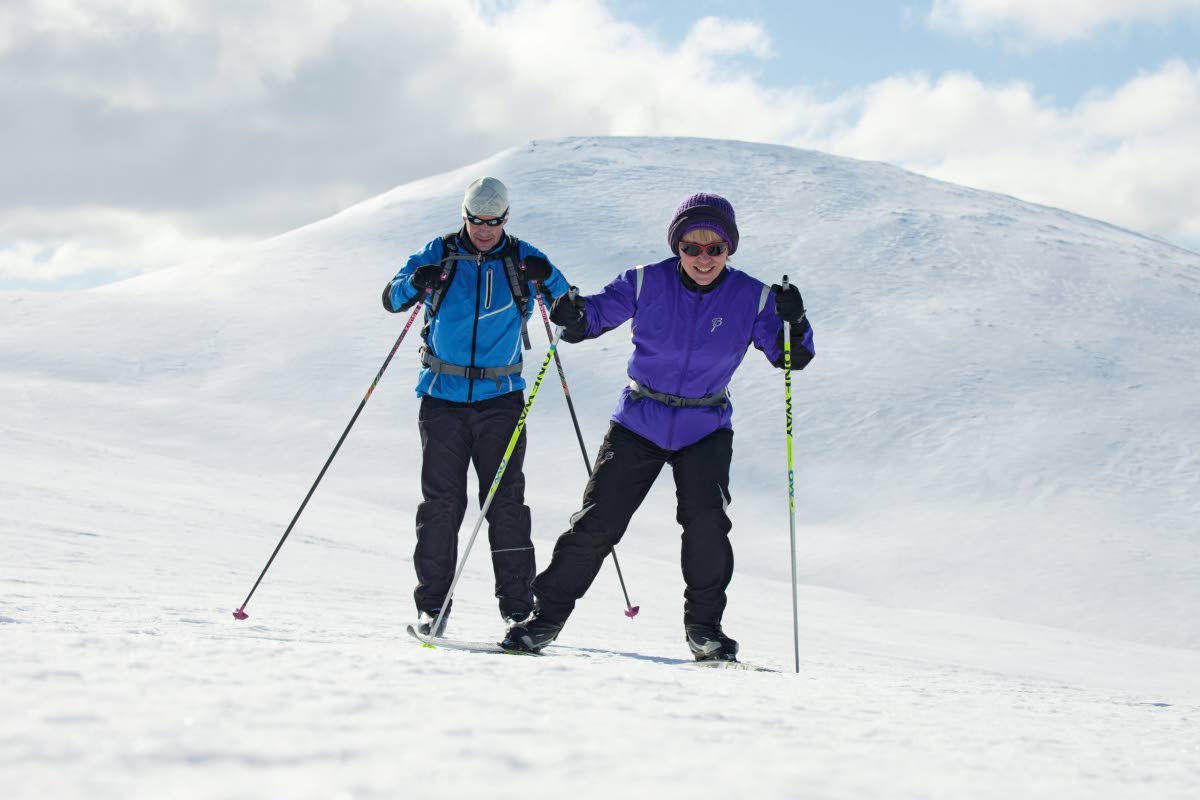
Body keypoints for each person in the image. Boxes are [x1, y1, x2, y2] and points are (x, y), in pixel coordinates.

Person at [500, 192, 813, 661]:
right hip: (639, 419)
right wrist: (576, 315)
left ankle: (705, 630)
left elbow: (790, 356)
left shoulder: (753, 296)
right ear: (676, 247)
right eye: (691, 247)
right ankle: (544, 619)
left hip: (704, 426)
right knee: (597, 523)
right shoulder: (646, 282)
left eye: (715, 248)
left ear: (730, 250)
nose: (703, 258)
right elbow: (595, 315)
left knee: (706, 525)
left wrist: (795, 320)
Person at [382, 177, 570, 636]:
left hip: (501, 400)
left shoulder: (522, 259)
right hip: (442, 397)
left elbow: (570, 309)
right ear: (463, 215)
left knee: (505, 504)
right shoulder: (440, 251)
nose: (484, 230)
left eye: (494, 222)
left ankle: (518, 608)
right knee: (441, 505)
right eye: (476, 221)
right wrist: (416, 282)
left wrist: (552, 287)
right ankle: (433, 607)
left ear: (506, 219)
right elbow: (392, 297)